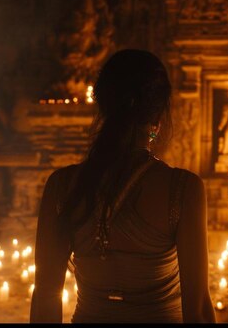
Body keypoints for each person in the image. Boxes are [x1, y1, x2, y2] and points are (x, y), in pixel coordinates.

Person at [29, 49, 216, 323]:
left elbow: (45, 295)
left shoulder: (61, 186)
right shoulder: (183, 189)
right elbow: (197, 308)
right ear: (158, 117)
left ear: (102, 106)